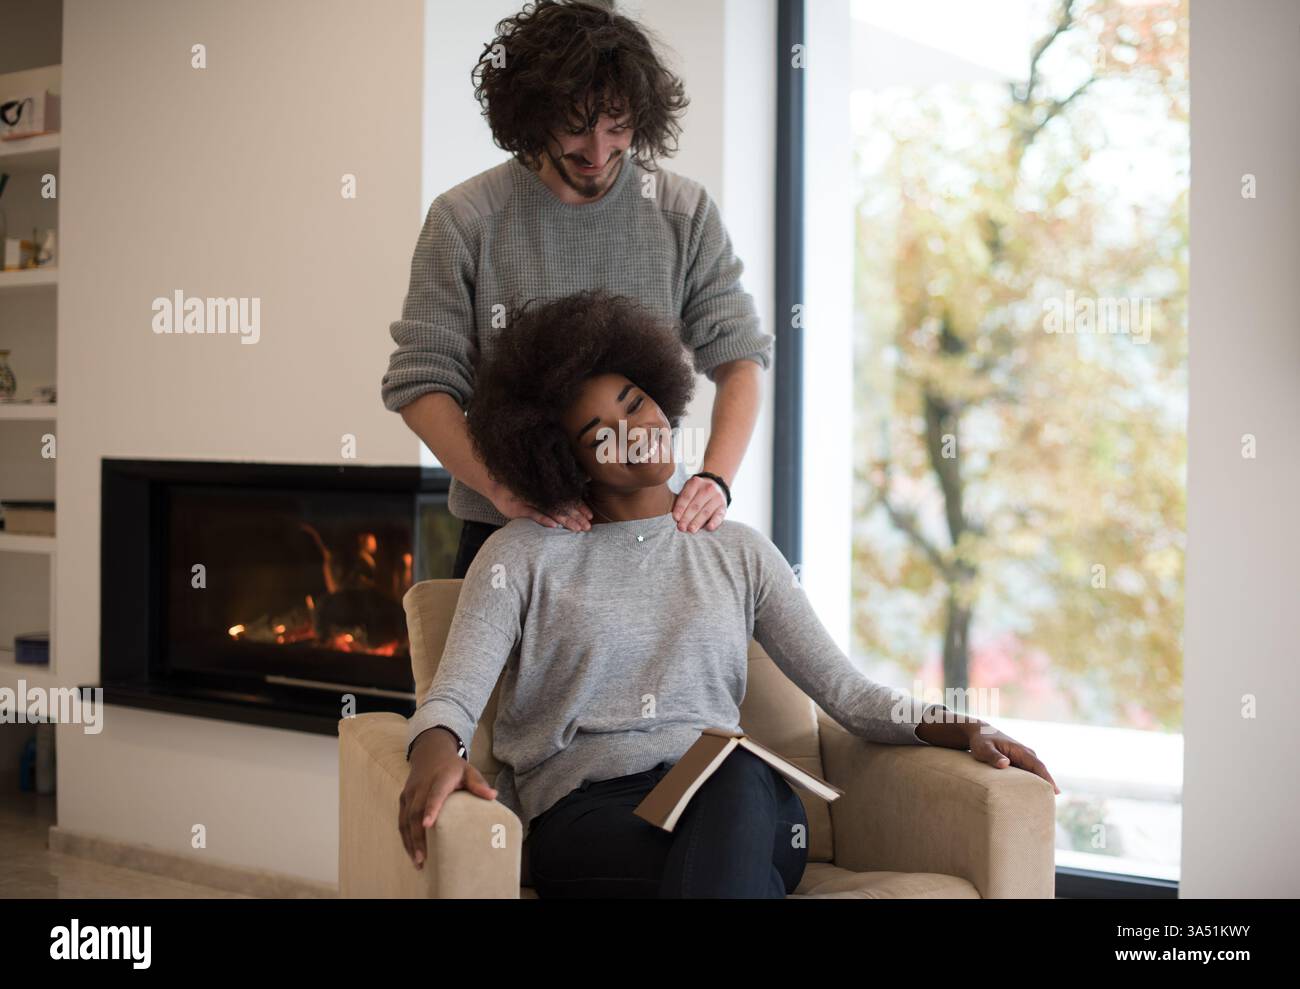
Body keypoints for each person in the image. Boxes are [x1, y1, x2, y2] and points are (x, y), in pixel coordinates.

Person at [396, 290, 1061, 898]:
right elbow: (452, 699)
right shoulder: (522, 552)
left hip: (740, 800)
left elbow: (849, 694)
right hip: (592, 816)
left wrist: (966, 726)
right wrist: (434, 751)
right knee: (743, 855)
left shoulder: (736, 550)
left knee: (737, 773)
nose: (636, 430)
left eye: (635, 402)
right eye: (600, 432)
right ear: (565, 460)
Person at [380, 0, 772, 579]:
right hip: (510, 537)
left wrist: (715, 478)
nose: (597, 153)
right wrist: (504, 490)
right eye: (574, 127)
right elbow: (421, 382)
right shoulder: (466, 219)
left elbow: (740, 356)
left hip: (648, 536)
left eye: (618, 128)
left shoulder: (680, 212)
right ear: (530, 116)